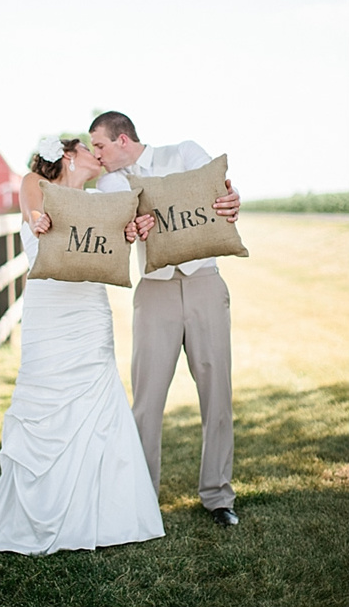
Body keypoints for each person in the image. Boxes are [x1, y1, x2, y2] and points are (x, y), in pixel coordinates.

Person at [0, 136, 165, 554]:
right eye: (90, 148)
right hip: (49, 311)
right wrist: (38, 220)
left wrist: (126, 230)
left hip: (89, 309)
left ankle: (107, 515)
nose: (97, 154)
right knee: (44, 401)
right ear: (69, 155)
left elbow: (117, 239)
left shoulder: (102, 197)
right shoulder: (35, 182)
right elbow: (33, 208)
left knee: (99, 402)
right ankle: (41, 510)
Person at [89, 111, 241, 527]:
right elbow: (115, 219)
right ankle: (142, 495)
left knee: (216, 392)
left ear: (122, 139)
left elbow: (218, 192)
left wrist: (232, 197)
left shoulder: (186, 152)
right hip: (154, 291)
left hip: (204, 282)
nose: (96, 155)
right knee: (147, 398)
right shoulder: (110, 182)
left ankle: (218, 495)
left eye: (99, 146)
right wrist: (131, 224)